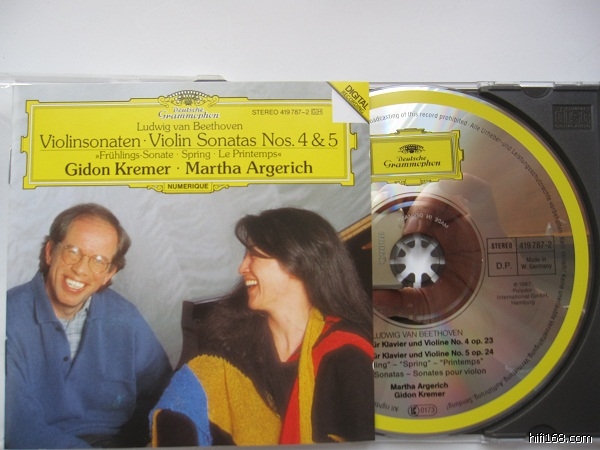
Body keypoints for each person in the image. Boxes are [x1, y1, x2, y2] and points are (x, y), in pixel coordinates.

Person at [150, 207, 374, 446]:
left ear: (296, 263)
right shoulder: (228, 345)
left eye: (253, 254)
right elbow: (178, 408)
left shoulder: (348, 353)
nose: (242, 268)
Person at [6, 203, 172, 449]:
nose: (81, 269)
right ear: (50, 252)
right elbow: (17, 427)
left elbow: (164, 391)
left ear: (109, 273)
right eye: (72, 251)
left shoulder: (125, 316)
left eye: (98, 261)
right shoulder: (8, 316)